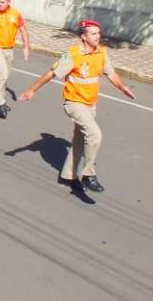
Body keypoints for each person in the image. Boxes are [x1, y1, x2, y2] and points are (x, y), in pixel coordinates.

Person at [19, 19, 136, 193]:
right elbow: (51, 73)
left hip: (90, 104)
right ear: (83, 36)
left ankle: (68, 176)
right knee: (95, 134)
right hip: (74, 103)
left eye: (98, 33)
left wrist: (123, 87)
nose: (98, 36)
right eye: (93, 33)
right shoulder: (72, 54)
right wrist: (31, 90)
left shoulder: (101, 53)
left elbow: (111, 74)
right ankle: (89, 175)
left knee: (80, 142)